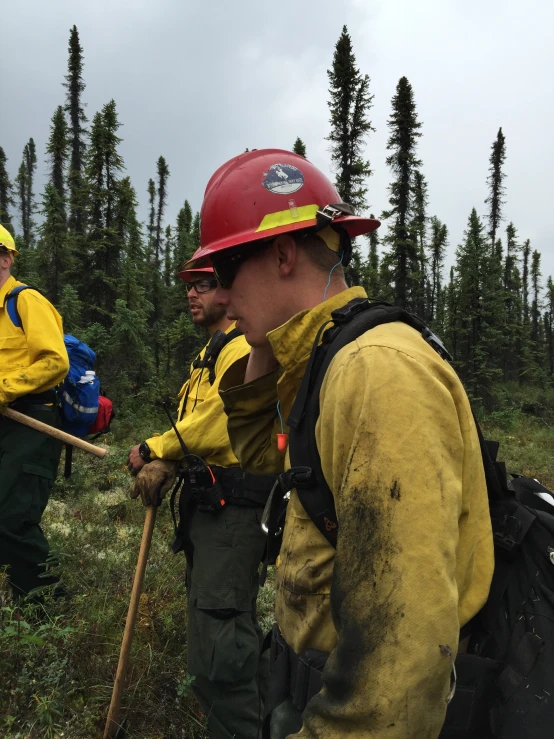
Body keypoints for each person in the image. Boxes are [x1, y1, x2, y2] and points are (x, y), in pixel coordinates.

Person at [182, 149, 495, 738]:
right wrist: (269, 343)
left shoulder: (376, 371)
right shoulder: (322, 362)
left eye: (225, 273)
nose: (219, 296)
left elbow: (400, 655)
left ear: (280, 253)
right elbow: (264, 455)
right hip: (312, 684)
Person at [127, 258, 275, 739]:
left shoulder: (242, 351)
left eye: (204, 285)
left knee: (222, 649)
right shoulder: (208, 357)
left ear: (228, 290)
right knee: (209, 643)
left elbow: (219, 421)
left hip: (234, 515)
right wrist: (170, 462)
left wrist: (155, 449)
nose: (192, 294)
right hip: (210, 513)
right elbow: (199, 430)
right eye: (190, 286)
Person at [0, 224, 69, 599]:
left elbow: (55, 361)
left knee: (12, 520)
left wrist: (3, 390)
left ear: (7, 259)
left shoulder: (25, 301)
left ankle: (49, 605)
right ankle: (21, 600)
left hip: (33, 421)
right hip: (5, 422)